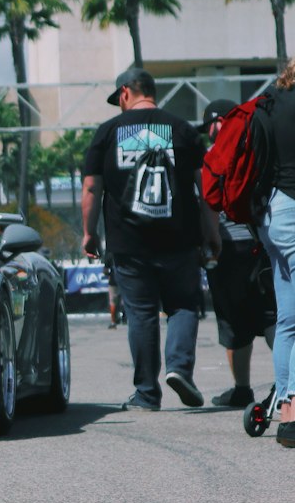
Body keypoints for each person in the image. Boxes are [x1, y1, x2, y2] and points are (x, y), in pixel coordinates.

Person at [81, 66, 220, 410]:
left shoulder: (108, 132)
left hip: (129, 242)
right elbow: (204, 188)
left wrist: (88, 233)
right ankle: (179, 369)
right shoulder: (183, 130)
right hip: (179, 238)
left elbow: (91, 188)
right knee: (184, 305)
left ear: (126, 93)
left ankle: (146, 393)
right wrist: (212, 232)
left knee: (141, 313)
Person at [201, 99, 276, 408]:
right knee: (266, 315)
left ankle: (252, 387)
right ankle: (254, 386)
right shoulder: (261, 147)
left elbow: (207, 202)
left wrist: (210, 242)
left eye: (216, 123)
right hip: (261, 243)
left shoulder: (213, 157)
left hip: (233, 247)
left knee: (247, 319)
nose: (215, 128)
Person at [255, 57, 295, 448]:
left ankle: (284, 407)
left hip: (273, 212)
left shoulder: (269, 100)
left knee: (288, 320)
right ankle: (293, 414)